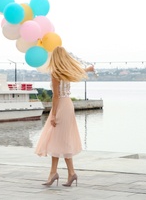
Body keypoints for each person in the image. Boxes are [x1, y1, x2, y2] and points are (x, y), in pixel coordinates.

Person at [34, 46, 95, 187]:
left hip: (61, 105)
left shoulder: (55, 73)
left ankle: (60, 173)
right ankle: (65, 173)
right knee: (60, 140)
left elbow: (55, 96)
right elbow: (79, 71)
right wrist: (88, 69)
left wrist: (53, 114)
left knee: (57, 139)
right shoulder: (67, 71)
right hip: (68, 105)